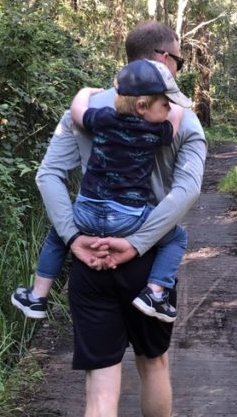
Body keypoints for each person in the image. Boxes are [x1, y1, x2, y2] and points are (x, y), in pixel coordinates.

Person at [35, 20, 206, 417]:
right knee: (153, 364)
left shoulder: (84, 108)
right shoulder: (181, 118)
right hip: (146, 261)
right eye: (179, 60)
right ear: (164, 59)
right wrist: (136, 243)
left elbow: (48, 176)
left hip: (90, 261)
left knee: (99, 395)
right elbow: (188, 190)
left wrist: (74, 239)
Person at [11, 59, 192, 323]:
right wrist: (176, 106)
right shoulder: (154, 132)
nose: (168, 108)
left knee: (58, 233)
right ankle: (155, 292)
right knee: (176, 237)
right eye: (163, 103)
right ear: (142, 107)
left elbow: (77, 112)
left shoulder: (103, 119)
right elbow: (177, 117)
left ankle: (38, 296)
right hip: (128, 218)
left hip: (86, 213)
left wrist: (87, 91)